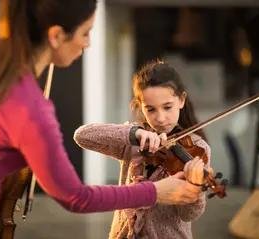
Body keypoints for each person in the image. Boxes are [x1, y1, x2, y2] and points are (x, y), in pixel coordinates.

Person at [0, 1, 203, 238]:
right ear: (56, 36)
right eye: (86, 33)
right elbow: (75, 197)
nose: (88, 43)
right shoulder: (33, 110)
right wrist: (153, 192)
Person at [74, 60, 212, 239]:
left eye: (167, 107)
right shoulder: (133, 140)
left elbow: (188, 215)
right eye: (151, 109)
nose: (161, 118)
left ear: (182, 100)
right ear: (141, 106)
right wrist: (132, 133)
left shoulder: (197, 149)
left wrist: (197, 189)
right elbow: (82, 136)